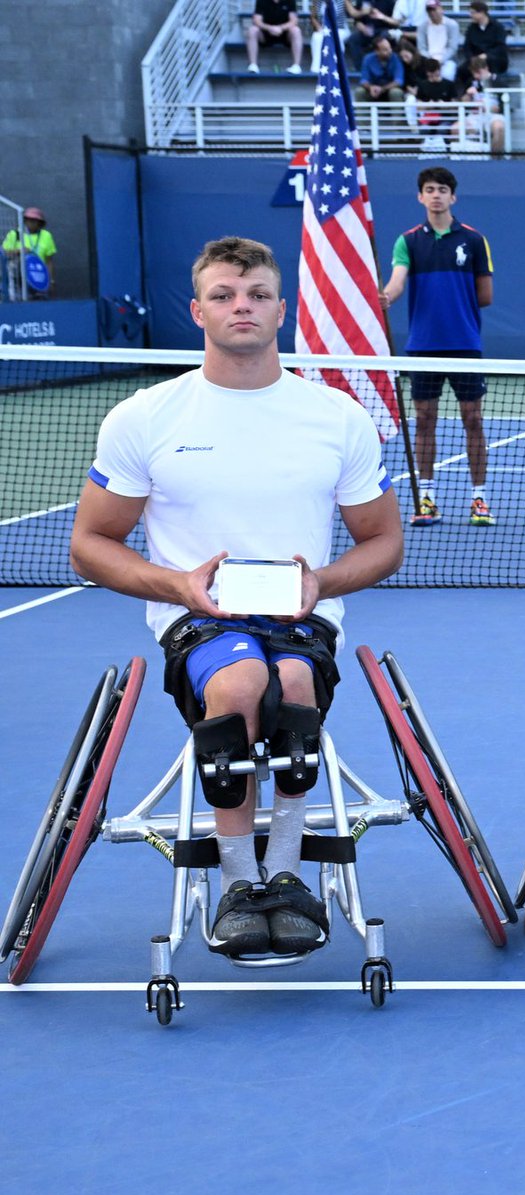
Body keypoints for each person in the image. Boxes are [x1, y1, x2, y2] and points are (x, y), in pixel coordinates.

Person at [68, 236, 403, 958]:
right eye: (223, 295)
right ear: (197, 311)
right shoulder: (145, 417)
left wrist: (322, 583)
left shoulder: (336, 416)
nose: (240, 306)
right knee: (245, 679)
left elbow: (383, 542)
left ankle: (285, 876)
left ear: (282, 309)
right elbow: (91, 544)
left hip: (301, 618)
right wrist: (179, 585)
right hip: (199, 620)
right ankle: (237, 883)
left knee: (290, 677)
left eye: (255, 295)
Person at [380, 167, 496, 527]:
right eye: (429, 189)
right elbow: (397, 282)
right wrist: (386, 296)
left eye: (442, 189)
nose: (436, 195)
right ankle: (426, 498)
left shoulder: (474, 241)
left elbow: (485, 296)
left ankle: (479, 499)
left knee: (473, 420)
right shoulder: (408, 241)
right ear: (420, 196)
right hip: (422, 347)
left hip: (464, 345)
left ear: (453, 196)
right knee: (424, 421)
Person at [453, 54, 507, 153]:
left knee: (499, 128)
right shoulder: (472, 82)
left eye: (479, 72)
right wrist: (468, 95)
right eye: (474, 73)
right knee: (456, 129)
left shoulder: (498, 81)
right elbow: (463, 102)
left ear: (486, 68)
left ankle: (496, 162)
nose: (476, 76)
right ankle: (461, 159)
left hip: (493, 116)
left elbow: (501, 107)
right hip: (475, 116)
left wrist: (486, 107)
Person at [2, 207, 57, 300]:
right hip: (18, 281)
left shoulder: (46, 236)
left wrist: (50, 281)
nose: (31, 223)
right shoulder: (15, 234)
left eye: (35, 220)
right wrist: (19, 251)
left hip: (38, 277)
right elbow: (4, 253)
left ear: (40, 222)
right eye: (28, 220)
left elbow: (49, 261)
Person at [245, 0, 303, 73]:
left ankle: (296, 66)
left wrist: (280, 28)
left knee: (296, 30)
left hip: (285, 33)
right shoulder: (261, 1)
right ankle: (253, 65)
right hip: (266, 33)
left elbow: (294, 21)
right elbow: (256, 20)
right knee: (252, 30)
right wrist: (270, 28)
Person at [460, 0, 509, 77]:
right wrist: (472, 58)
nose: (471, 15)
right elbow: (467, 47)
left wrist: (486, 55)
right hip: (476, 60)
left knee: (490, 64)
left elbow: (500, 47)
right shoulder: (471, 28)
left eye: (473, 13)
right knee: (461, 70)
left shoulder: (498, 27)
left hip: (495, 60)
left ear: (482, 12)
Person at [354, 33, 405, 102]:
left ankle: (397, 113)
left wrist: (382, 89)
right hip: (372, 90)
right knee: (359, 92)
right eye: (385, 50)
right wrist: (370, 87)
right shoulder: (368, 59)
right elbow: (364, 80)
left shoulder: (396, 58)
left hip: (389, 89)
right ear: (377, 51)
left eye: (389, 48)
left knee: (396, 92)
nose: (390, 51)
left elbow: (398, 81)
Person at [417, 0, 460, 81]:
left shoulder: (452, 25)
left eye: (434, 9)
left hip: (447, 60)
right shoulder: (422, 26)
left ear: (441, 9)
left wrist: (441, 60)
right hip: (428, 59)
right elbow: (421, 48)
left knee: (447, 75)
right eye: (429, 10)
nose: (432, 13)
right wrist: (431, 60)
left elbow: (453, 48)